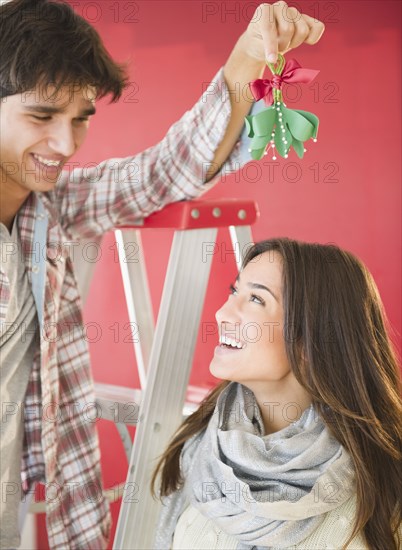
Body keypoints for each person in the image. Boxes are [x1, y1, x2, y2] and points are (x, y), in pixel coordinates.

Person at [0, 0, 325, 547]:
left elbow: (164, 171)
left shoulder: (49, 208)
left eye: (80, 118)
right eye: (41, 116)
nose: (65, 145)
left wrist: (245, 61)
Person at [153, 238, 402, 550]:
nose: (222, 314)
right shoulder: (197, 446)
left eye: (256, 299)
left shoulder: (381, 477)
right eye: (234, 291)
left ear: (309, 340)